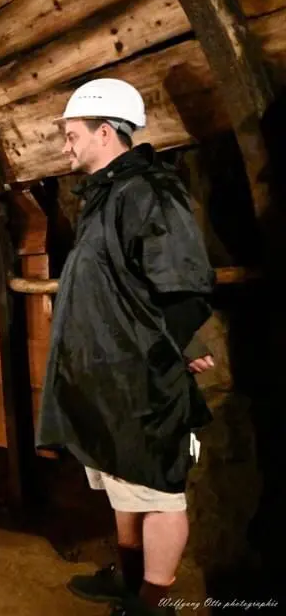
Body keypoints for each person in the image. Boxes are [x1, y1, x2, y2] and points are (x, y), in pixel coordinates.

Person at [35, 78, 215, 616]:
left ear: (106, 131)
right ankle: (130, 579)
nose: (65, 145)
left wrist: (178, 344)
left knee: (157, 492)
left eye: (71, 134)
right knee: (122, 484)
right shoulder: (108, 194)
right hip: (109, 377)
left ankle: (152, 599)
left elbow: (182, 282)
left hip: (140, 378)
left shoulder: (147, 192)